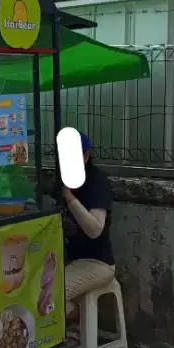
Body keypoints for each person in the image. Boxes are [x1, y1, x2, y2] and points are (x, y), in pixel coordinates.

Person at [59, 132, 114, 323]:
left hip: (98, 263)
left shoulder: (96, 182)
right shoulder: (59, 179)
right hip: (70, 260)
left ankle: (78, 320)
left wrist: (69, 197)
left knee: (52, 294)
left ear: (85, 157)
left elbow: (95, 230)